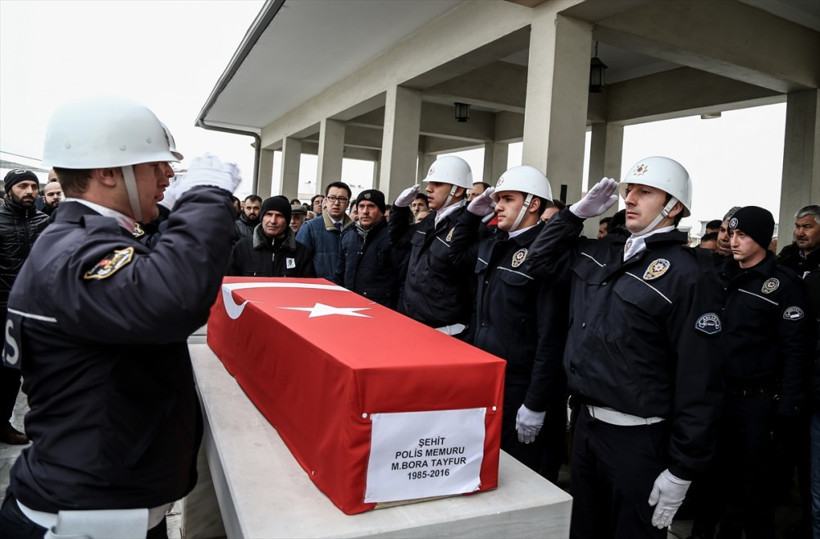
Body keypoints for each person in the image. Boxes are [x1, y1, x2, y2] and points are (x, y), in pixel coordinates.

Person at [0, 96, 241, 538]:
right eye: (155, 165)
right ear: (109, 172)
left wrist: (175, 213)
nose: (169, 175)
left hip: (109, 508)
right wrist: (207, 197)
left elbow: (154, 262)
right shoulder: (75, 255)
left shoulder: (78, 241)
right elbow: (172, 297)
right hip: (86, 522)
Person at [526, 156, 726, 538]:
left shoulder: (690, 274)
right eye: (628, 191)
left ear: (674, 206)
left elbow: (700, 380)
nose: (630, 199)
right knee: (585, 530)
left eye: (644, 192)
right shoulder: (603, 253)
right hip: (586, 427)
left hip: (640, 439)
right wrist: (574, 215)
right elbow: (536, 261)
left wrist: (683, 468)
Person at [692, 206, 812, 539]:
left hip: (756, 403)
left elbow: (795, 350)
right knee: (708, 478)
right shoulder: (720, 275)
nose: (733, 241)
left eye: (742, 235)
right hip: (715, 397)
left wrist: (788, 407)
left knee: (752, 489)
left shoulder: (782, 285)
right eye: (731, 234)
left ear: (761, 239)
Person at [449, 166, 568, 479]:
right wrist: (470, 217)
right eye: (498, 198)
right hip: (489, 376)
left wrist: (536, 401)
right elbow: (453, 255)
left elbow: (551, 336)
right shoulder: (493, 244)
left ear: (532, 204)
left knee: (521, 475)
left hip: (521, 386)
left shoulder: (546, 254)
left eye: (507, 199)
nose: (497, 205)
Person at [390, 155, 477, 337]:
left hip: (446, 331)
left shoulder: (469, 226)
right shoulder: (430, 219)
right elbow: (399, 240)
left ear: (458, 189)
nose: (428, 189)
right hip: (413, 322)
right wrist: (398, 209)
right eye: (430, 183)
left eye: (437, 184)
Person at [0, 169, 49, 446]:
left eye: (33, 185)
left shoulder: (44, 221)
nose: (30, 191)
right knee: (4, 371)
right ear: (9, 191)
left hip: (35, 309)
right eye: (22, 186)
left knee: (24, 370)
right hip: (2, 307)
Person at [334, 190, 401, 307]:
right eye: (361, 206)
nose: (365, 211)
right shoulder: (348, 235)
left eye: (371, 206)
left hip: (381, 308)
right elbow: (339, 274)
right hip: (349, 304)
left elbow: (401, 278)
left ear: (381, 211)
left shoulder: (392, 237)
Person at [227, 196, 315, 278]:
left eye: (279, 216)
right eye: (269, 215)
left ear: (287, 220)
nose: (273, 221)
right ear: (262, 217)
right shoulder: (242, 248)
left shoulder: (301, 252)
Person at [296, 182, 353, 280]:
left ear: (348, 203)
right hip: (320, 290)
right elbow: (300, 264)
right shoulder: (309, 228)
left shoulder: (355, 230)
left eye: (342, 199)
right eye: (332, 198)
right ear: (326, 201)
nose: (336, 203)